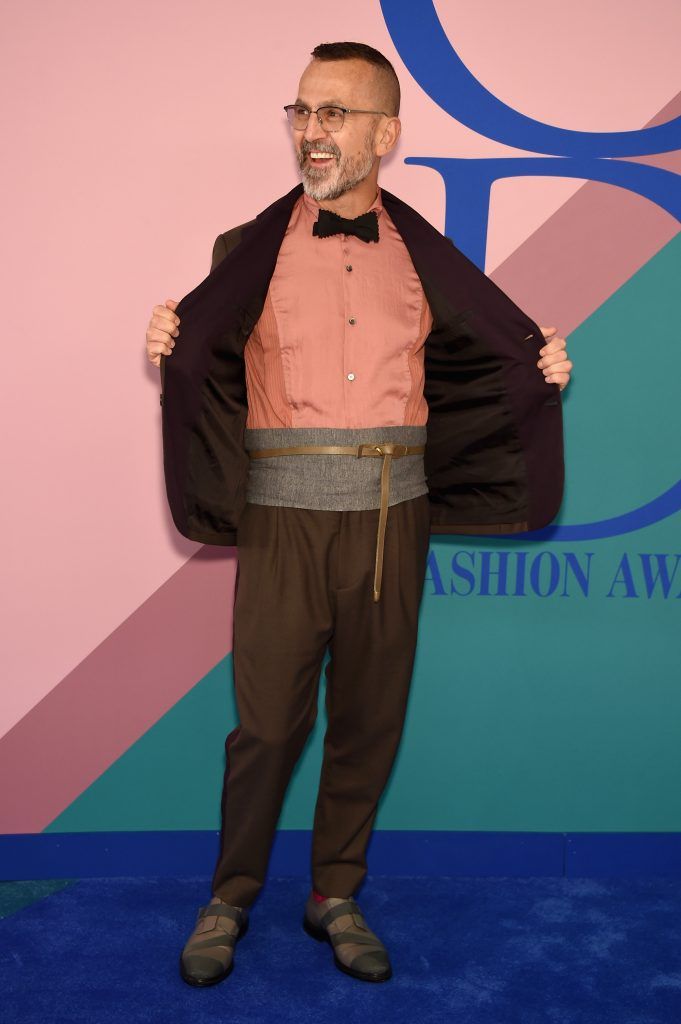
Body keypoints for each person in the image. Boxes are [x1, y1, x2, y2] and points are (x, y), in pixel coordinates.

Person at [145, 41, 573, 987]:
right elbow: (203, 358)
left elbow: (484, 363)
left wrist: (542, 370)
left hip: (393, 514)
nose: (311, 131)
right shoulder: (240, 250)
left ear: (385, 133)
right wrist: (166, 344)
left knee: (369, 717)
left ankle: (335, 891)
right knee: (266, 726)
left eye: (334, 113)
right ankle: (229, 895)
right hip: (284, 517)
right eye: (300, 112)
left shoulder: (427, 256)